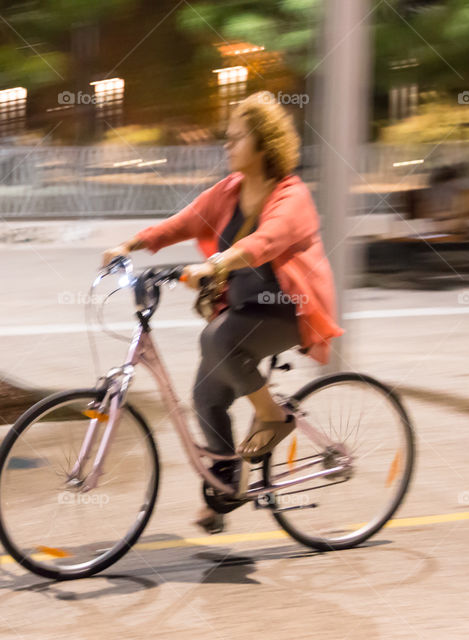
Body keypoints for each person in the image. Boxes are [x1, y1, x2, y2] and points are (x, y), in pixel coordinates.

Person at [100, 92, 343, 534]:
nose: (227, 146)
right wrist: (129, 246)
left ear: (264, 142)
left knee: (216, 339)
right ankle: (227, 487)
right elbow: (184, 221)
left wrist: (213, 264)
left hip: (289, 310)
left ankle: (272, 415)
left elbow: (265, 242)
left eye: (235, 138)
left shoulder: (293, 196)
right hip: (246, 310)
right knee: (206, 397)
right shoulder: (229, 191)